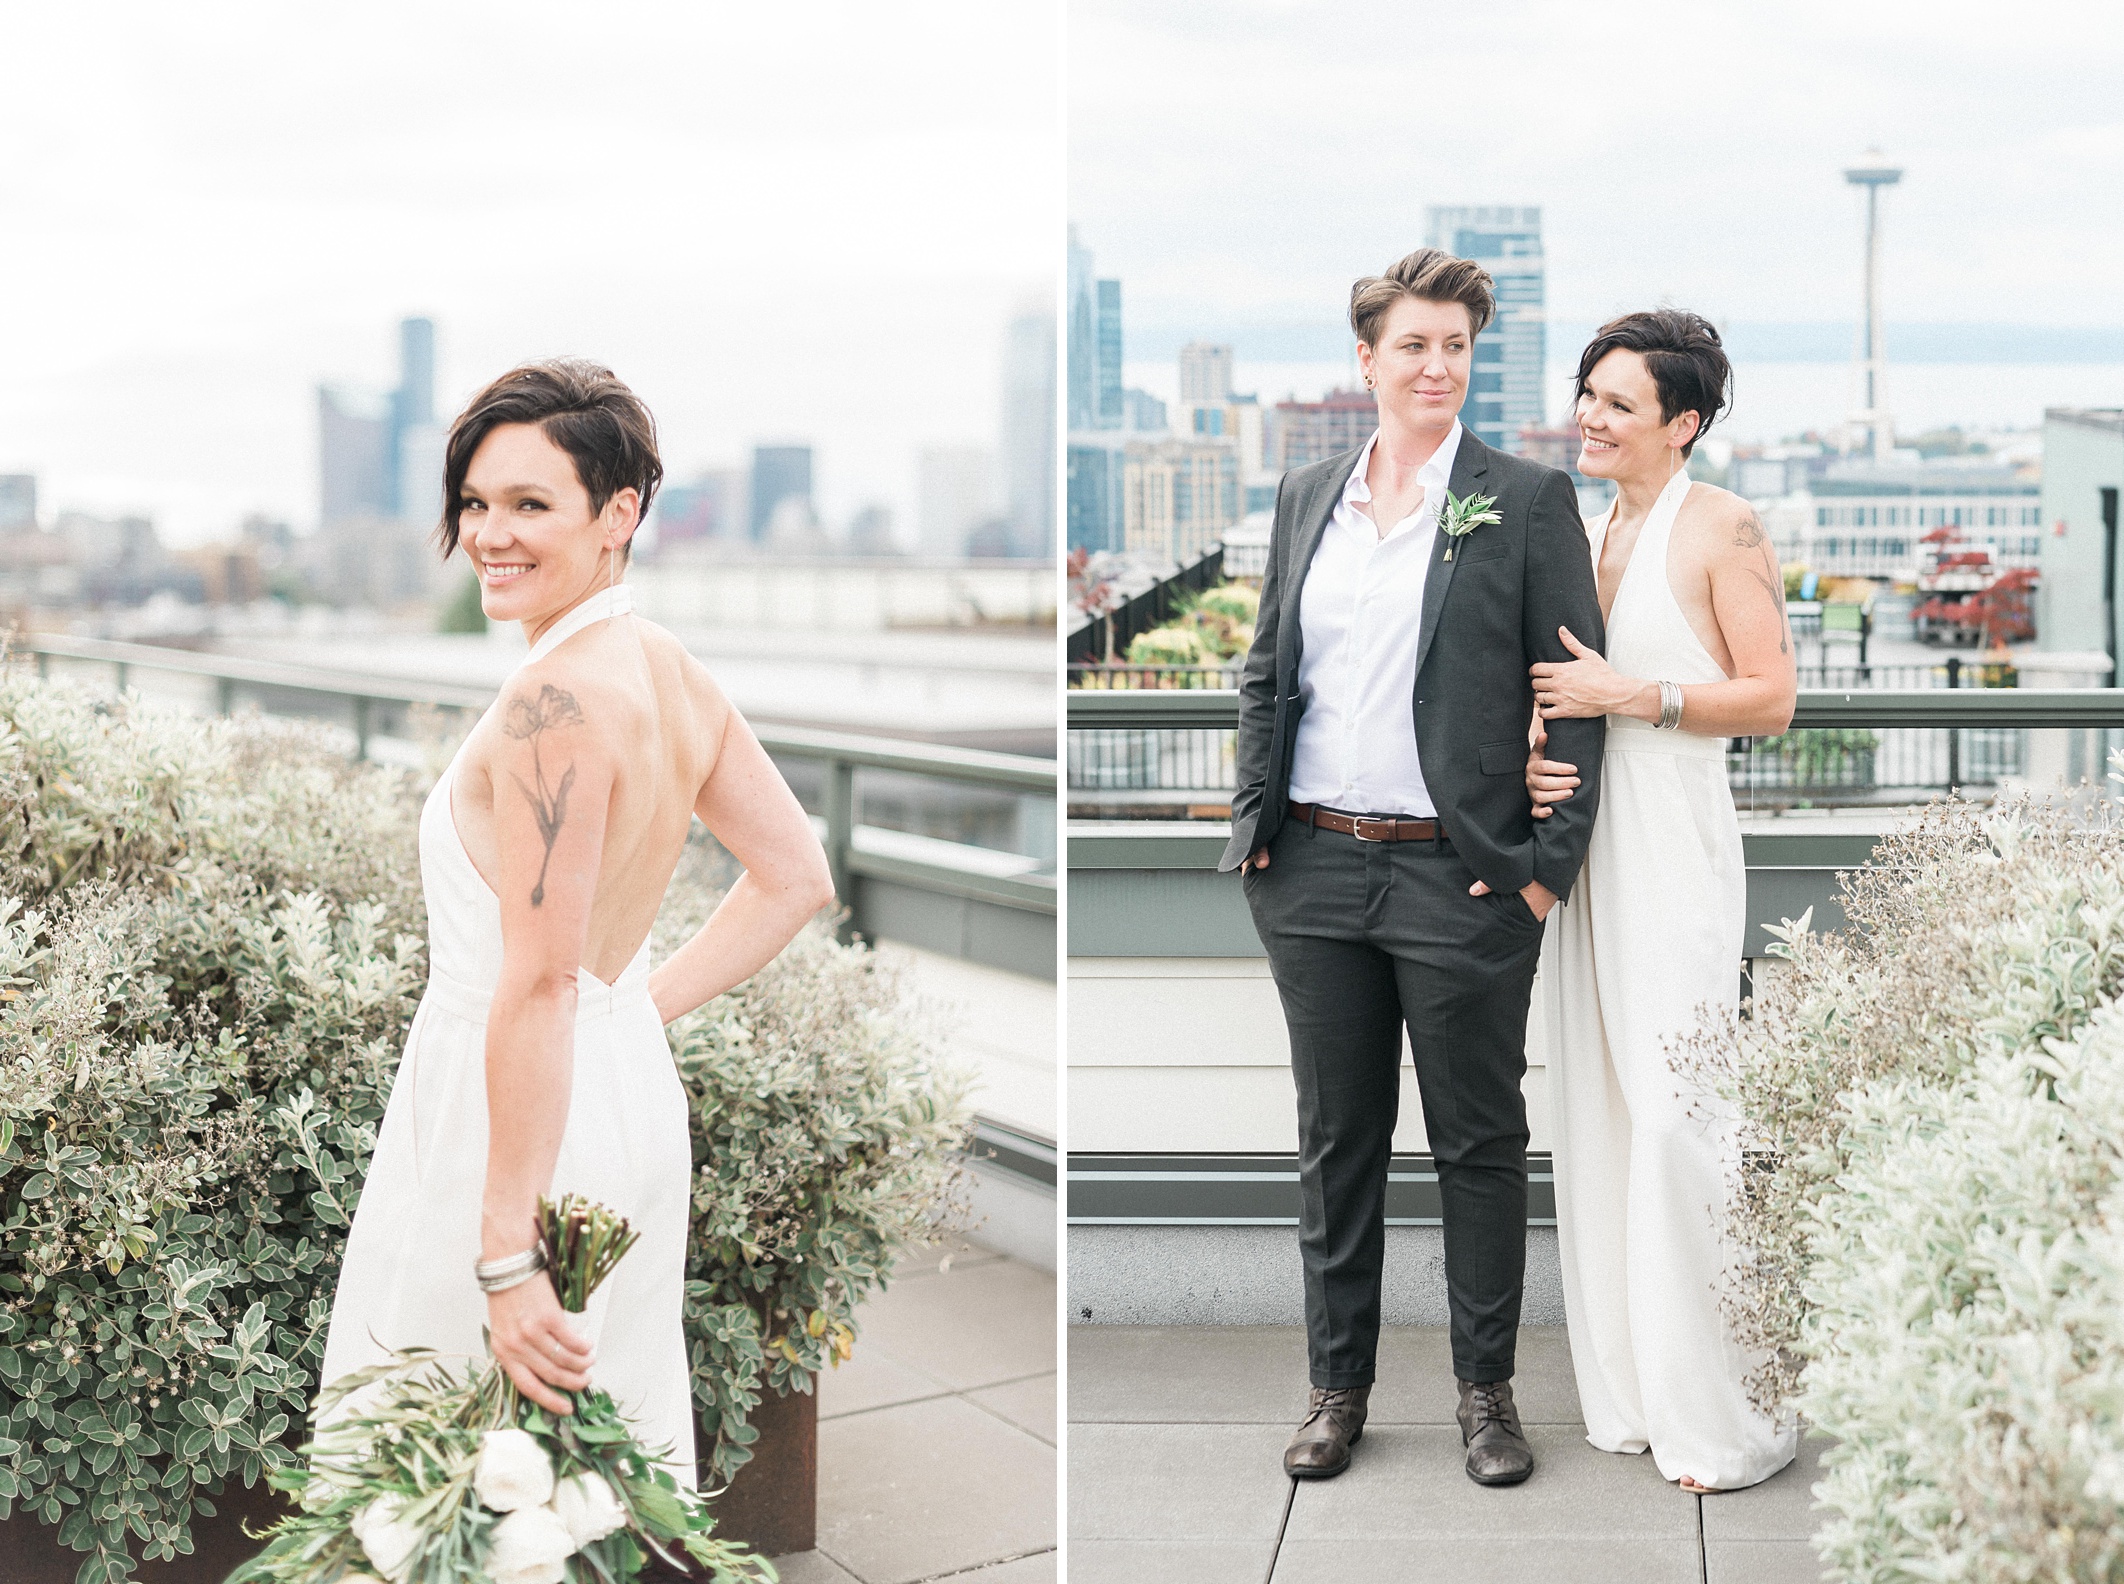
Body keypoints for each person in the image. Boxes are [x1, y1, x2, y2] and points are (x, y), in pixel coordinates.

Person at [320, 360, 833, 1481]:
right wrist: (632, 1013)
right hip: (621, 1088)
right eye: (476, 502)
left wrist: (505, 1257)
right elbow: (797, 876)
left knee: (447, 1481)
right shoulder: (663, 668)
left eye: (530, 505)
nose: (492, 534)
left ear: (619, 515)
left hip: (513, 1119)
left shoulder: (551, 707)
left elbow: (542, 982)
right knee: (581, 1481)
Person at [1223, 248, 1606, 1487]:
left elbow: (1577, 692)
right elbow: (1266, 672)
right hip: (1316, 870)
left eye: (1456, 347)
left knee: (1477, 1145)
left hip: (1465, 879)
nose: (1436, 366)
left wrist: (1545, 868)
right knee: (1336, 1143)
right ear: (1367, 362)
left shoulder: (1526, 497)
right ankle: (1338, 1390)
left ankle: (1486, 1398)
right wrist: (1254, 834)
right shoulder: (1306, 494)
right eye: (1413, 347)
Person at [1525, 310, 1799, 1492]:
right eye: (1589, 393)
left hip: (1673, 843)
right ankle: (1635, 1391)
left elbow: (1772, 698)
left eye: (1619, 402)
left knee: (1684, 1117)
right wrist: (1546, 743)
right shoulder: (1590, 529)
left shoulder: (1722, 523)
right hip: (1588, 846)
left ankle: (1724, 1411)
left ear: (1682, 424)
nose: (1591, 415)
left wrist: (1637, 697)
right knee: (1599, 1109)